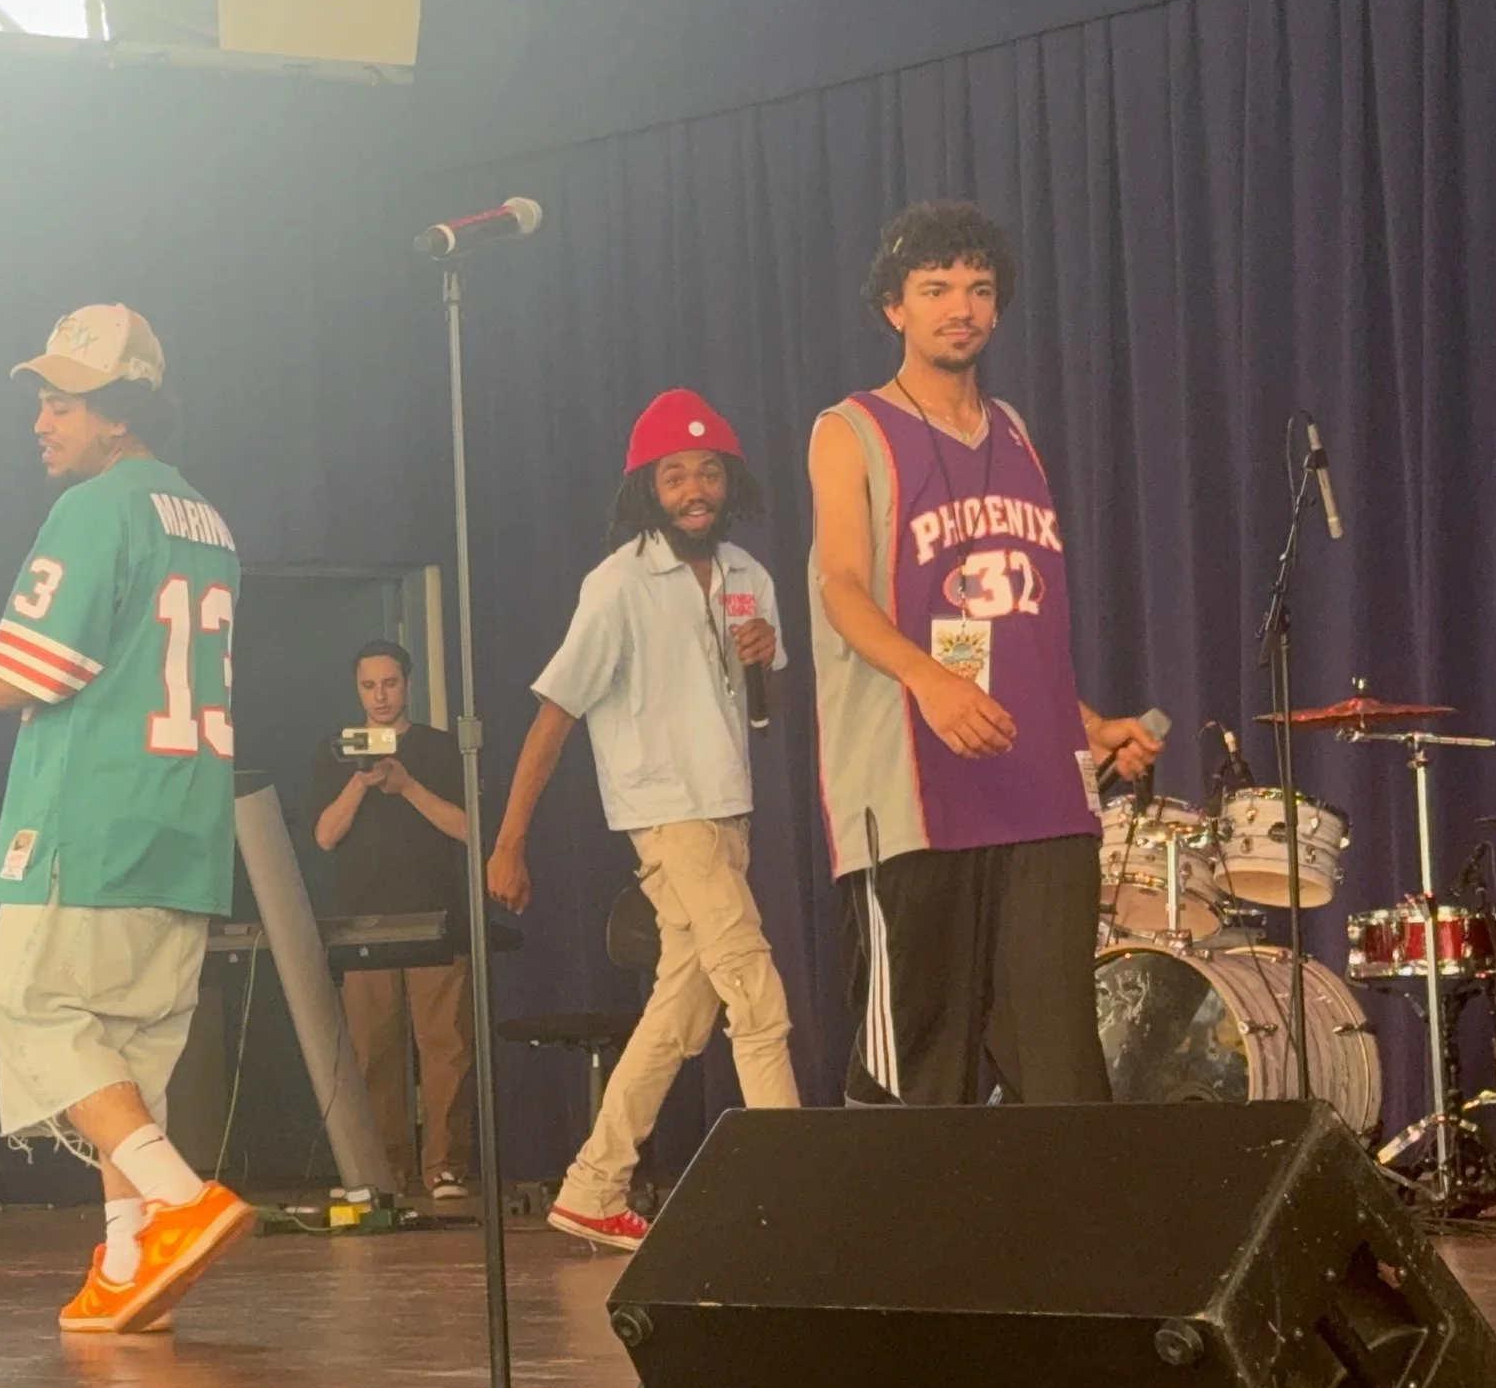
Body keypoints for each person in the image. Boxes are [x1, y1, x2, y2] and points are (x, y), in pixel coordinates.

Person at [0, 303, 250, 1335]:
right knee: (126, 1055)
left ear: (120, 413)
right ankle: (125, 1252)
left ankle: (183, 1202)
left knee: (34, 1010)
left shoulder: (97, 508)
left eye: (64, 401)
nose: (42, 421)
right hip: (184, 830)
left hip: (87, 822)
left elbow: (36, 671)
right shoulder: (206, 518)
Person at [807, 201, 1162, 1108]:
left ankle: (1072, 1249)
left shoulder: (1014, 431)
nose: (958, 306)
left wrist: (1087, 723)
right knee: (921, 1070)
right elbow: (841, 586)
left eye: (978, 289)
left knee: (1059, 1066)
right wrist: (928, 680)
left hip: (1040, 787)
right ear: (895, 307)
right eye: (935, 290)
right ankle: (898, 1249)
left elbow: (1014, 623)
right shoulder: (849, 429)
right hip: (913, 792)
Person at [487, 388, 799, 1252]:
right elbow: (556, 713)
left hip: (728, 810)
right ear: (647, 490)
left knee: (681, 1009)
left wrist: (766, 661)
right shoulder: (620, 582)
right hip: (669, 815)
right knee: (755, 993)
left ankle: (593, 1184)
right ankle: (801, 1197)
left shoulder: (748, 575)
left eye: (707, 472)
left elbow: (763, 710)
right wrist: (509, 840)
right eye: (674, 475)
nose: (693, 488)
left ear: (727, 483)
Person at [307, 640, 472, 1201]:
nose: (380, 696)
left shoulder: (442, 748)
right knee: (371, 1049)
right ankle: (385, 1170)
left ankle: (445, 1165)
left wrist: (406, 786)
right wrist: (360, 778)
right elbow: (324, 836)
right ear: (357, 691)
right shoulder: (335, 751)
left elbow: (468, 828)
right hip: (363, 924)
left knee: (445, 1045)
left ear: (408, 685)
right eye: (369, 686)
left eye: (390, 684)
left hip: (436, 915)